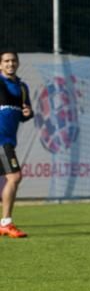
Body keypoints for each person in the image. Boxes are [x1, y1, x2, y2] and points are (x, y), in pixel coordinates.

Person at [0, 50, 33, 239]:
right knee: (14, 177)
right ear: (0, 65)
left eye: (13, 61)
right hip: (1, 139)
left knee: (10, 179)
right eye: (6, 61)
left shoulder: (22, 88)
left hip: (9, 139)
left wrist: (27, 113)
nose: (10, 64)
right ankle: (5, 223)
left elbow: (23, 114)